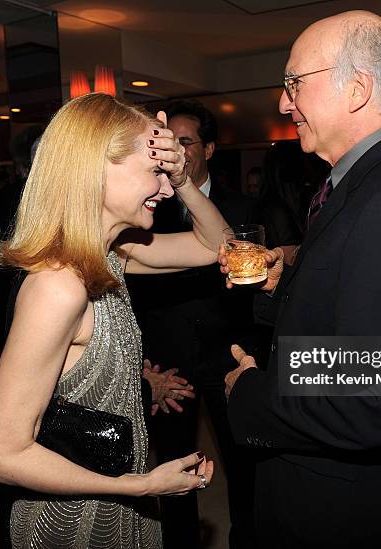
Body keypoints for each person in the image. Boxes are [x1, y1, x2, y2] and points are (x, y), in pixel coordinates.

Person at [219, 11, 381, 549]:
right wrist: (286, 285)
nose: (282, 102)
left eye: (294, 82)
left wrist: (251, 394)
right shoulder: (362, 182)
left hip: (336, 512)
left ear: (357, 90)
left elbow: (376, 398)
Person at [0, 93, 217, 548]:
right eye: (156, 172)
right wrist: (139, 486)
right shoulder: (59, 286)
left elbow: (215, 246)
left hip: (117, 499)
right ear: (96, 168)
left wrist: (185, 180)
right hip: (70, 520)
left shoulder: (111, 255)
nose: (166, 190)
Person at [126, 99, 259, 549]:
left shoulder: (240, 207)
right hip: (167, 364)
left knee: (243, 462)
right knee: (175, 469)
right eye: (161, 149)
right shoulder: (139, 223)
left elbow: (218, 245)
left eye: (184, 143)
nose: (171, 158)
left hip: (226, 355)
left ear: (209, 148)